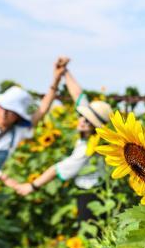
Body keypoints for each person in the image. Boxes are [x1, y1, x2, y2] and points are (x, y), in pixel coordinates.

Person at [0, 58, 67, 228]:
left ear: (18, 116)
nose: (5, 113)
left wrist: (56, 79)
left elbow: (42, 110)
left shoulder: (15, 133)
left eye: (12, 111)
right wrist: (4, 177)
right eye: (3, 107)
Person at [17, 64, 113, 221]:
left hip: (92, 194)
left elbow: (57, 169)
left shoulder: (89, 149)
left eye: (88, 122)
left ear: (96, 128)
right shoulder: (87, 136)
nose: (82, 122)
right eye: (82, 117)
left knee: (91, 235)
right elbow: (78, 94)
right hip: (94, 190)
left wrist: (32, 186)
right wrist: (64, 71)